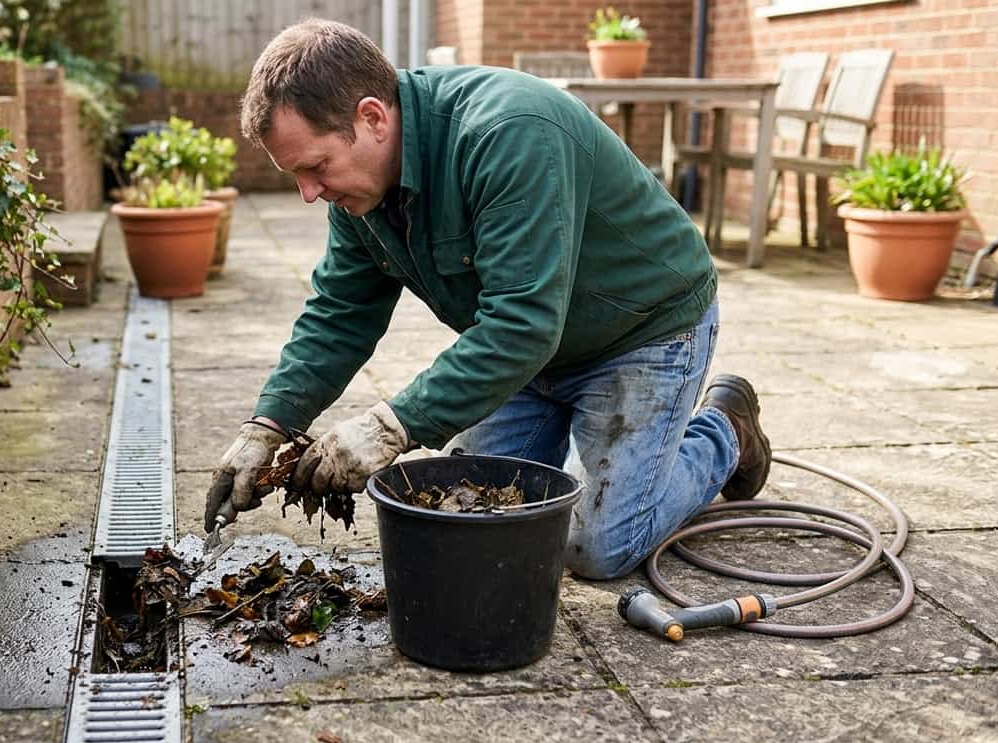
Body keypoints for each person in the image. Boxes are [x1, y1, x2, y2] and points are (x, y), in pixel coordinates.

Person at [202, 18, 771, 579]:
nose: (309, 194)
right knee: (470, 510)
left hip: (641, 331)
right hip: (530, 355)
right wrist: (268, 426)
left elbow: (522, 322)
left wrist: (389, 426)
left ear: (371, 117)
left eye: (315, 168)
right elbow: (340, 313)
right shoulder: (360, 195)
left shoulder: (506, 133)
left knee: (594, 546)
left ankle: (725, 430)